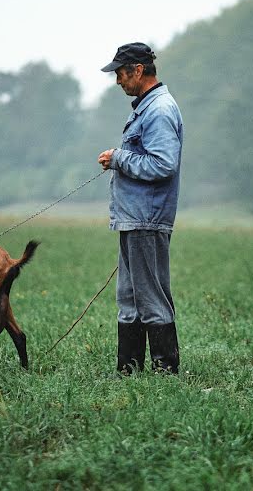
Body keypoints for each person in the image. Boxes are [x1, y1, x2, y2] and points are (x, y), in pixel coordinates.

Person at [97, 42, 184, 374]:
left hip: (147, 219)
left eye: (120, 72)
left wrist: (119, 158)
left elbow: (163, 164)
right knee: (129, 297)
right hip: (133, 219)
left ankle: (166, 369)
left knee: (150, 296)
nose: (118, 79)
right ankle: (128, 369)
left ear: (137, 70)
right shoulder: (146, 107)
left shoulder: (160, 110)